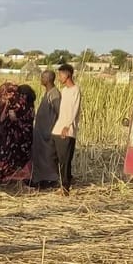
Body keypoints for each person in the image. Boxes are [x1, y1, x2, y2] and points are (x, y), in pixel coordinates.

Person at [0, 82, 35, 184]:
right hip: (25, 138)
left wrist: (13, 118)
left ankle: (11, 176)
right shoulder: (29, 107)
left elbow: (4, 120)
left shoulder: (20, 107)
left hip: (18, 140)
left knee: (11, 158)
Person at [54, 63, 82, 194]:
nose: (59, 77)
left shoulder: (75, 90)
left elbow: (74, 110)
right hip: (58, 129)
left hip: (67, 130)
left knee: (65, 160)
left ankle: (65, 186)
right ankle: (65, 182)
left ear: (67, 75)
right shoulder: (64, 91)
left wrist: (67, 125)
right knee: (60, 159)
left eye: (60, 75)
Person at [31, 71, 62, 189]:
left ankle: (51, 179)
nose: (41, 79)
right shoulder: (48, 93)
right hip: (42, 131)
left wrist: (55, 129)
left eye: (43, 77)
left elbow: (59, 112)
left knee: (49, 157)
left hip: (49, 131)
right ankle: (42, 179)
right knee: (42, 156)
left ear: (48, 79)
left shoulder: (54, 94)